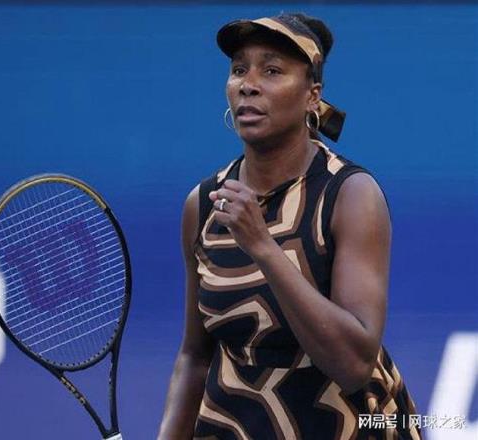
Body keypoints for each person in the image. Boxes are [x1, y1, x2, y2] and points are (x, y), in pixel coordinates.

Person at [158, 12, 421, 440]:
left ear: (312, 97)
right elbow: (195, 356)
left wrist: (263, 247)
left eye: (272, 71)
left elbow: (353, 365)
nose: (248, 84)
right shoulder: (204, 205)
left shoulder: (350, 195)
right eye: (239, 70)